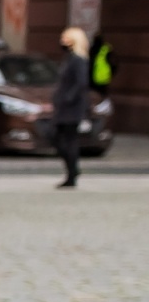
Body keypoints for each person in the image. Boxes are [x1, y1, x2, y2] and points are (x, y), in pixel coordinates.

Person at [54, 26, 90, 190]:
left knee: (68, 139)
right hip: (64, 106)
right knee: (59, 138)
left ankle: (72, 173)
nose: (62, 41)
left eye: (66, 38)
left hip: (72, 108)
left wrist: (68, 98)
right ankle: (73, 170)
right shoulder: (69, 58)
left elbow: (81, 83)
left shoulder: (78, 59)